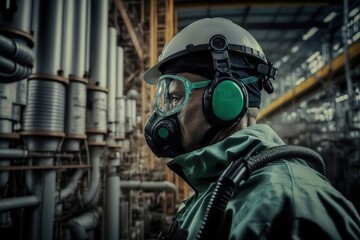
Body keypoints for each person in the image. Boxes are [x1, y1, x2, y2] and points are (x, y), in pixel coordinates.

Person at [143, 18, 360, 239]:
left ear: (224, 99)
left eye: (174, 97)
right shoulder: (218, 185)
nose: (164, 113)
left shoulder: (288, 209)